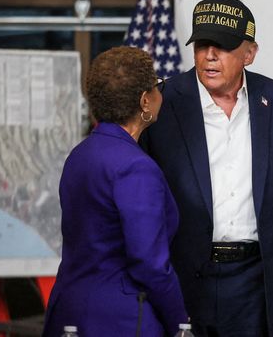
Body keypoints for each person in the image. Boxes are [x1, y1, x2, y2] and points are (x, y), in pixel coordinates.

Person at [141, 0, 273, 337]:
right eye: (202, 44)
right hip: (181, 279)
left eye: (222, 46)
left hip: (255, 282)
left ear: (249, 53)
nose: (209, 55)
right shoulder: (161, 103)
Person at [42, 46, 187, 337]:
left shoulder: (80, 154)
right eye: (157, 85)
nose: (161, 93)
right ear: (145, 101)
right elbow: (150, 265)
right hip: (120, 319)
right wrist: (180, 323)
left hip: (68, 309)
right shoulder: (136, 167)